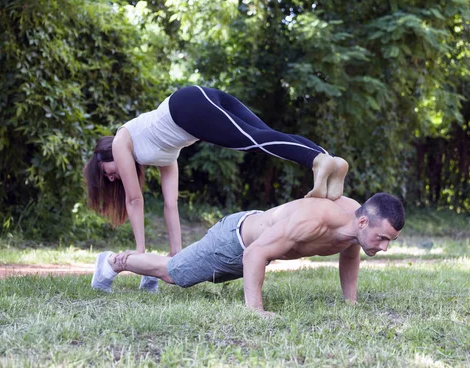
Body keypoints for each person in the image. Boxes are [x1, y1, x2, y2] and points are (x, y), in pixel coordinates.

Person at [84, 86, 349, 291]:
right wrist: (176, 253)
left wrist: (140, 252)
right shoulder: (160, 153)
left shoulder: (121, 142)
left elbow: (134, 200)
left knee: (254, 140)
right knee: (265, 135)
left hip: (186, 107)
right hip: (192, 103)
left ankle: (316, 160)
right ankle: (329, 160)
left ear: (104, 156)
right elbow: (170, 204)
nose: (111, 178)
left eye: (106, 175)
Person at [91, 192, 405, 316]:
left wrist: (350, 303)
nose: (384, 246)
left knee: (177, 268)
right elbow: (254, 254)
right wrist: (256, 310)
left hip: (257, 238)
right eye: (381, 238)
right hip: (235, 242)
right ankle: (112, 261)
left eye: (389, 240)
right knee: (174, 273)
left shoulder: (354, 224)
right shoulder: (315, 219)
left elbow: (349, 255)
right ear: (364, 222)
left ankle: (142, 269)